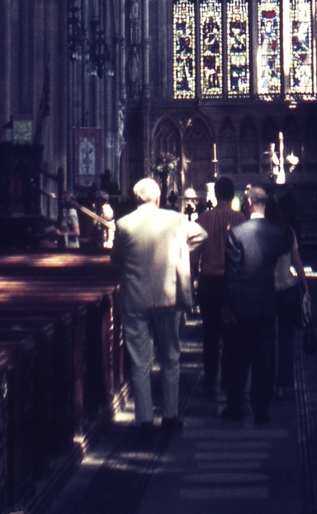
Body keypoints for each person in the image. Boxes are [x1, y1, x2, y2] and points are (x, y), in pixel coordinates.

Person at [111, 177, 207, 438]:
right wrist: (182, 249)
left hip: (135, 298)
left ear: (135, 199)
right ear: (158, 198)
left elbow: (116, 258)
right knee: (170, 356)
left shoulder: (124, 223)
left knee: (140, 361)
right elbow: (202, 234)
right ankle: (170, 414)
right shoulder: (175, 220)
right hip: (168, 296)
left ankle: (143, 419)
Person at [222, 184, 288, 424]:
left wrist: (226, 307)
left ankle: (235, 406)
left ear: (248, 203)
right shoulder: (276, 233)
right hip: (266, 304)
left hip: (240, 305)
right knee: (263, 359)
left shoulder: (237, 233)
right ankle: (261, 411)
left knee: (238, 358)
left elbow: (231, 275)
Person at [191, 176, 246, 396]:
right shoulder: (241, 219)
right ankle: (228, 382)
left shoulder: (203, 219)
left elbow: (194, 256)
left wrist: (192, 282)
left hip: (207, 282)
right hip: (231, 284)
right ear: (232, 196)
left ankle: (210, 381)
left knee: (210, 334)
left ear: (216, 195)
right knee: (231, 335)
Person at [266, 195, 309, 399]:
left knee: (267, 339)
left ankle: (267, 381)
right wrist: (305, 285)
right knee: (285, 339)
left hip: (267, 291)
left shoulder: (262, 233)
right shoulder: (288, 232)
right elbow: (297, 262)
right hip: (288, 289)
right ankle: (282, 386)